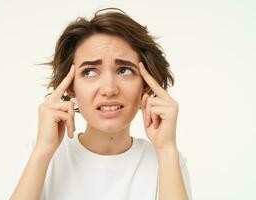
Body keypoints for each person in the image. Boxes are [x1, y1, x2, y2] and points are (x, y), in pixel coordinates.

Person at [10, 8, 192, 200]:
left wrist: (166, 149)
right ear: (70, 87)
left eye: (124, 70)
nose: (109, 89)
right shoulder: (42, 156)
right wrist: (42, 151)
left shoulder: (168, 162)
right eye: (89, 72)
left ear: (145, 84)